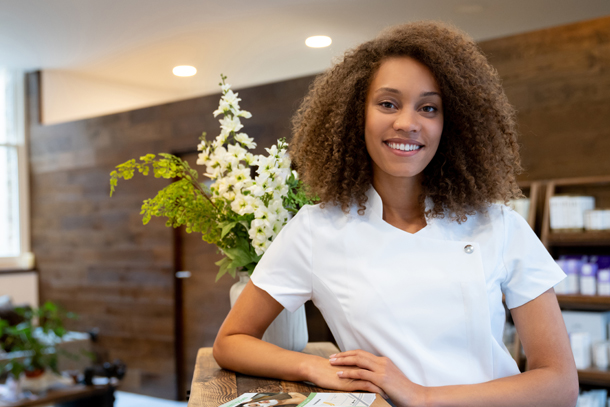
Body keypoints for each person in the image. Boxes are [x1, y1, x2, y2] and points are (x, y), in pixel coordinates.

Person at [213, 21, 578, 407]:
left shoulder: (498, 224)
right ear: (357, 115)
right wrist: (314, 367)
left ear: (450, 125)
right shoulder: (316, 230)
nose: (407, 123)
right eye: (388, 103)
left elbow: (559, 384)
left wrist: (422, 397)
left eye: (429, 108)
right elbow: (231, 341)